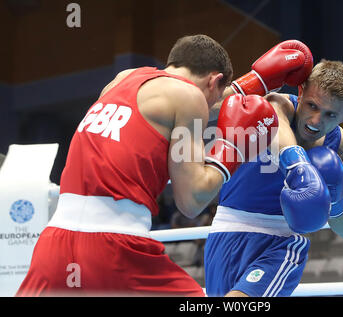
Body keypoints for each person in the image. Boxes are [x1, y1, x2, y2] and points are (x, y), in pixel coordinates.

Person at [16, 34, 287, 296]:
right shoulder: (190, 97)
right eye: (216, 95)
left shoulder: (122, 80)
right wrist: (233, 148)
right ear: (214, 80)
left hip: (54, 246)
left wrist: (256, 83)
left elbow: (195, 101)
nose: (211, 108)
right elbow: (191, 201)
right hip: (114, 249)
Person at [204, 57, 343, 297]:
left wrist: (335, 199)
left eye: (331, 115)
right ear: (300, 91)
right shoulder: (275, 106)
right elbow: (280, 133)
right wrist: (301, 169)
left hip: (282, 241)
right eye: (312, 106)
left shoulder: (341, 145)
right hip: (225, 230)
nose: (316, 120)